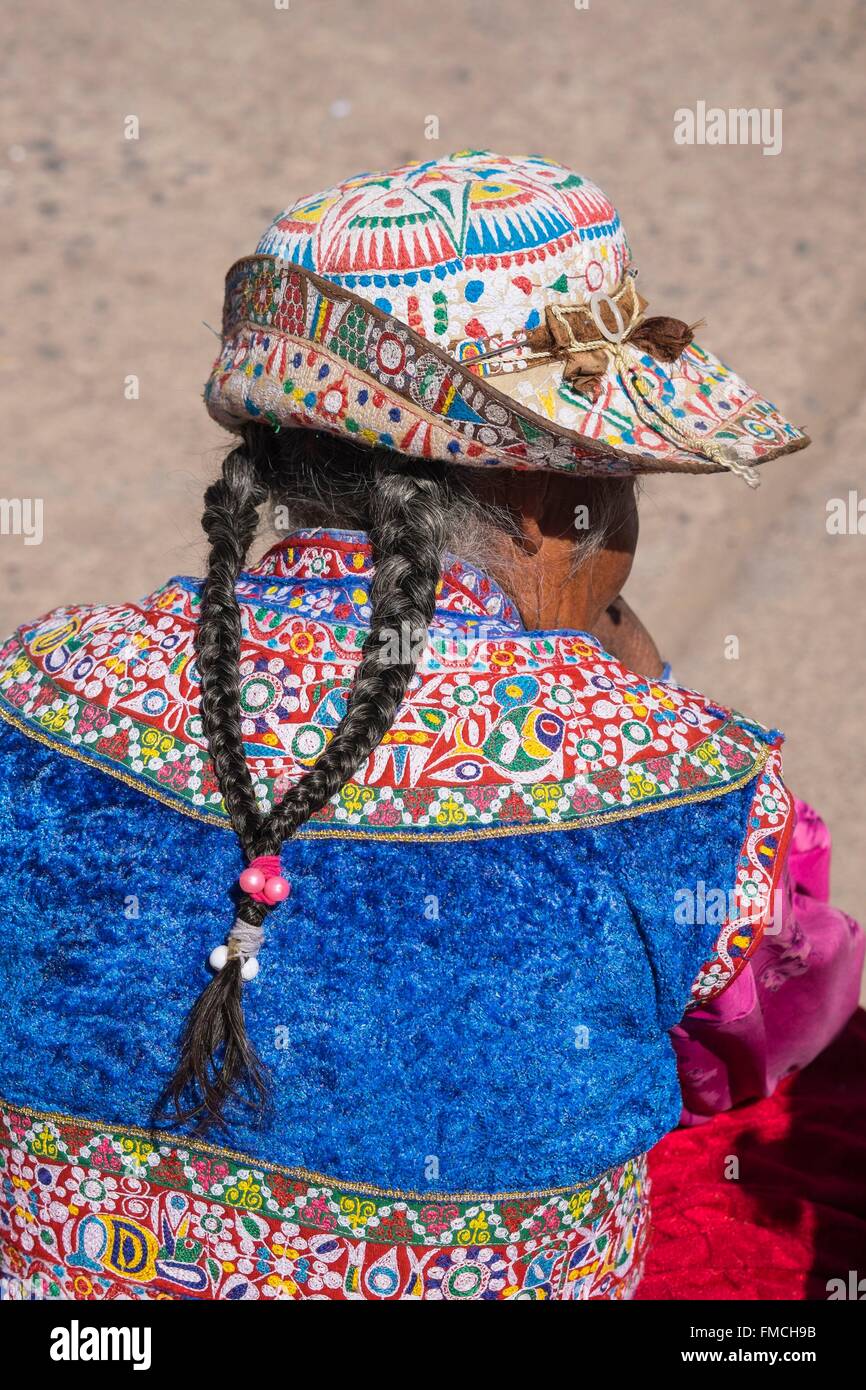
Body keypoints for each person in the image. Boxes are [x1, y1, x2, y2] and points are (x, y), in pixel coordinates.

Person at [0, 152, 859, 1302]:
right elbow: (775, 1032)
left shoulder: (35, 689)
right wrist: (647, 706)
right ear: (559, 505)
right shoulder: (680, 779)